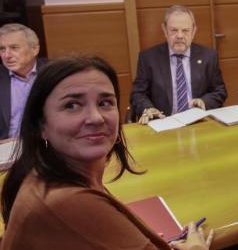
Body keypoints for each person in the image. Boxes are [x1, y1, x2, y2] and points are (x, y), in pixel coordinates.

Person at [0, 55, 213, 250]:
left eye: (105, 103)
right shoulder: (69, 203)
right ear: (41, 125)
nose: (96, 118)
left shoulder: (42, 171)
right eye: (72, 105)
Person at [131, 5, 227, 124]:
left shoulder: (208, 56)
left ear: (194, 31)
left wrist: (204, 101)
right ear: (165, 30)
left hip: (199, 122)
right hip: (164, 123)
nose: (180, 36)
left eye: (185, 30)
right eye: (174, 30)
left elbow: (219, 91)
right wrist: (148, 108)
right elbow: (138, 94)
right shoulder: (149, 58)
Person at [0, 23, 47, 139]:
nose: (7, 55)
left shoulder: (53, 72)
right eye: (2, 49)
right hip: (7, 148)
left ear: (34, 49)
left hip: (46, 145)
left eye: (14, 48)